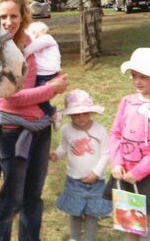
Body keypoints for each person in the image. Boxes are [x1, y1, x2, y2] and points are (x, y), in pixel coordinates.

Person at [0, 0, 68, 241]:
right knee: (12, 199)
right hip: (13, 133)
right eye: (3, 17)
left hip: (40, 129)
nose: (9, 22)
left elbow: (42, 78)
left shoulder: (31, 44)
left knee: (33, 197)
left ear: (23, 17)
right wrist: (51, 90)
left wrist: (53, 82)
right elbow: (7, 97)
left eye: (14, 16)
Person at [50, 89, 111, 241]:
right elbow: (64, 147)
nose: (80, 117)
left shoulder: (99, 130)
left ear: (91, 112)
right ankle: (74, 237)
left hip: (96, 182)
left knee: (92, 213)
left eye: (84, 113)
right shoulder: (66, 130)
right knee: (75, 211)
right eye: (76, 114)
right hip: (74, 180)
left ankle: (89, 238)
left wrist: (96, 173)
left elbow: (105, 153)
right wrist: (56, 154)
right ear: (70, 115)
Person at [109, 48, 150, 241]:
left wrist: (139, 172)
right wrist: (117, 163)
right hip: (126, 173)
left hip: (145, 176)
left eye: (143, 76)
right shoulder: (127, 101)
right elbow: (116, 133)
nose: (137, 81)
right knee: (131, 225)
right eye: (134, 76)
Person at [24, 21, 62, 119]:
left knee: (39, 97)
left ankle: (53, 114)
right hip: (43, 73)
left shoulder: (47, 38)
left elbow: (28, 50)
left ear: (35, 33)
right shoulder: (43, 41)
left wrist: (21, 54)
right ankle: (46, 114)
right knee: (37, 97)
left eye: (31, 33)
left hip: (46, 74)